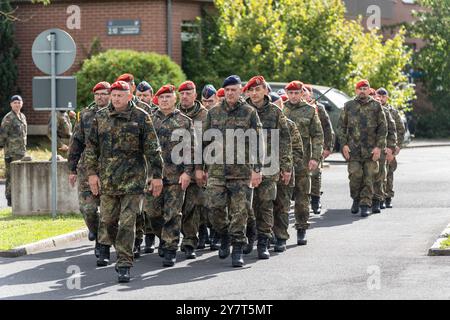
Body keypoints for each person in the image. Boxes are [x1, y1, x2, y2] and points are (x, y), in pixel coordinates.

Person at [84, 80, 163, 283]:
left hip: (133, 182)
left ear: (129, 96)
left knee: (128, 223)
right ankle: (110, 246)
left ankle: (124, 264)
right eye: (114, 95)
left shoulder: (141, 117)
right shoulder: (100, 117)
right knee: (108, 221)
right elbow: (91, 148)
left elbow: (153, 149)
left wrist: (157, 177)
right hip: (108, 181)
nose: (116, 98)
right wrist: (91, 174)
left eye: (120, 95)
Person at [197, 75, 263, 267]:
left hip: (241, 173)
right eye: (227, 90)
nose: (230, 93)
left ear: (240, 90)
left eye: (234, 90)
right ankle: (223, 234)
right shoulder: (214, 112)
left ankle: (237, 248)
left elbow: (258, 143)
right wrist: (200, 168)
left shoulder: (249, 112)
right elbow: (204, 141)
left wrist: (257, 169)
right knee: (214, 208)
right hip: (217, 171)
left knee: (239, 212)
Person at [144, 84, 194, 267]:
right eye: (162, 97)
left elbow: (191, 149)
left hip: (176, 176)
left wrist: (188, 172)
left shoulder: (185, 121)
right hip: (153, 176)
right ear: (157, 99)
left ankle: (170, 248)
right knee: (152, 212)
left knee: (173, 213)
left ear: (175, 99)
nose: (165, 100)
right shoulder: (148, 120)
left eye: (168, 97)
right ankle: (163, 238)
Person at [244, 75, 292, 259]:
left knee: (265, 205)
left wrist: (286, 166)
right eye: (251, 90)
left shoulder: (275, 112)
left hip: (269, 165)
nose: (254, 93)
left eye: (258, 89)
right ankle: (249, 237)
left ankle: (263, 242)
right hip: (245, 167)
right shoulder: (242, 110)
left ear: (265, 90)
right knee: (246, 206)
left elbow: (285, 140)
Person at [68, 81, 111, 258]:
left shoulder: (116, 114)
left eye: (104, 94)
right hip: (87, 168)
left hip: (110, 170)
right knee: (88, 209)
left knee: (108, 212)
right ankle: (93, 228)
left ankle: (102, 245)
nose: (100, 97)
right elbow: (76, 142)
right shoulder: (85, 115)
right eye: (97, 94)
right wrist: (72, 169)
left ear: (110, 95)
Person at [337, 79, 387, 217]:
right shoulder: (349, 106)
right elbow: (341, 126)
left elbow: (383, 128)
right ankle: (356, 198)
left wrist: (378, 147)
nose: (362, 91)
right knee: (355, 175)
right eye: (360, 89)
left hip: (371, 149)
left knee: (369, 176)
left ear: (369, 90)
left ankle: (365, 203)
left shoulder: (376, 106)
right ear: (356, 91)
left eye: (365, 88)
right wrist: (344, 145)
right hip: (353, 149)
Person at [283, 81, 323, 245]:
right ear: (287, 92)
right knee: (281, 199)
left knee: (302, 198)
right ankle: (279, 233)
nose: (293, 96)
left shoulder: (309, 110)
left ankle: (301, 229)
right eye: (290, 93)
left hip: (302, 161)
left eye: (296, 93)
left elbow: (318, 136)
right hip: (282, 161)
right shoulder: (280, 109)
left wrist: (315, 157)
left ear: (301, 93)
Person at [176, 80, 208, 259]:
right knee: (176, 208)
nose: (185, 96)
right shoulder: (174, 113)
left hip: (198, 168)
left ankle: (189, 241)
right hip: (175, 168)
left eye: (189, 93)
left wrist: (204, 169)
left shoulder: (205, 115)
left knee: (193, 205)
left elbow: (212, 144)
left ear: (195, 95)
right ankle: (183, 235)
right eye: (182, 93)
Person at [303, 84, 335, 215]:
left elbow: (327, 129)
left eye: (305, 93)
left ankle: (315, 200)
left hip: (315, 146)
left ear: (309, 95)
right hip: (300, 147)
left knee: (315, 174)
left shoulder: (318, 108)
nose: (303, 96)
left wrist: (328, 147)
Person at [376, 87, 405, 208]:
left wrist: (397, 146)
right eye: (379, 96)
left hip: (390, 146)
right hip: (378, 146)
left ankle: (388, 196)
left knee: (389, 172)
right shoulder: (374, 109)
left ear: (387, 98)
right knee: (379, 172)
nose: (381, 99)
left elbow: (400, 129)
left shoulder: (392, 111)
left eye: (384, 96)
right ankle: (379, 196)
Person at [0, 95, 27, 207]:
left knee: (19, 176)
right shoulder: (8, 118)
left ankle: (19, 198)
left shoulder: (22, 116)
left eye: (19, 102)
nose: (17, 104)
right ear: (11, 104)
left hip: (21, 151)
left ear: (22, 104)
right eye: (15, 102)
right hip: (12, 152)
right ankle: (10, 199)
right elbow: (2, 135)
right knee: (11, 176)